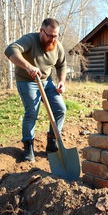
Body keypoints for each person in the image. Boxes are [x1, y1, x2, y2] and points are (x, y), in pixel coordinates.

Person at [4, 18, 67, 162]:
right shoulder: (30, 40)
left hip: (47, 81)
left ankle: (52, 143)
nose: (52, 38)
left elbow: (61, 65)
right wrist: (28, 66)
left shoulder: (57, 46)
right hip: (27, 81)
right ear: (41, 31)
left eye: (55, 35)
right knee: (32, 112)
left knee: (60, 109)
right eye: (49, 35)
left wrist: (62, 81)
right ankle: (28, 147)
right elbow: (10, 50)